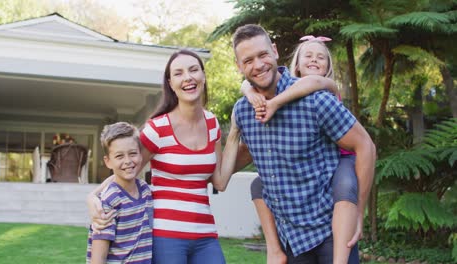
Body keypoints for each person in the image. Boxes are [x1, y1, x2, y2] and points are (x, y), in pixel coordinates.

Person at [231, 24, 376, 263]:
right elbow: (243, 156)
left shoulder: (316, 100)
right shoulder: (245, 112)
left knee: (344, 184)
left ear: (275, 51)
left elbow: (366, 146)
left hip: (330, 230)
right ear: (239, 66)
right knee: (258, 184)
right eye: (248, 60)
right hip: (292, 239)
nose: (257, 65)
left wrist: (359, 211)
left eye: (263, 54)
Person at [87, 49, 242, 264]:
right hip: (166, 234)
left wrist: (234, 132)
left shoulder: (212, 123)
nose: (187, 77)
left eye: (193, 70)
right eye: (178, 73)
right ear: (171, 83)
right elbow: (125, 168)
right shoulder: (158, 128)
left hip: (206, 234)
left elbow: (220, 181)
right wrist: (93, 196)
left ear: (203, 76)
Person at [86, 121, 153, 263]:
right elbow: (98, 259)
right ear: (108, 161)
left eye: (132, 153)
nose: (128, 161)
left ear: (141, 155)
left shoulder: (145, 190)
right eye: (119, 156)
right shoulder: (109, 201)